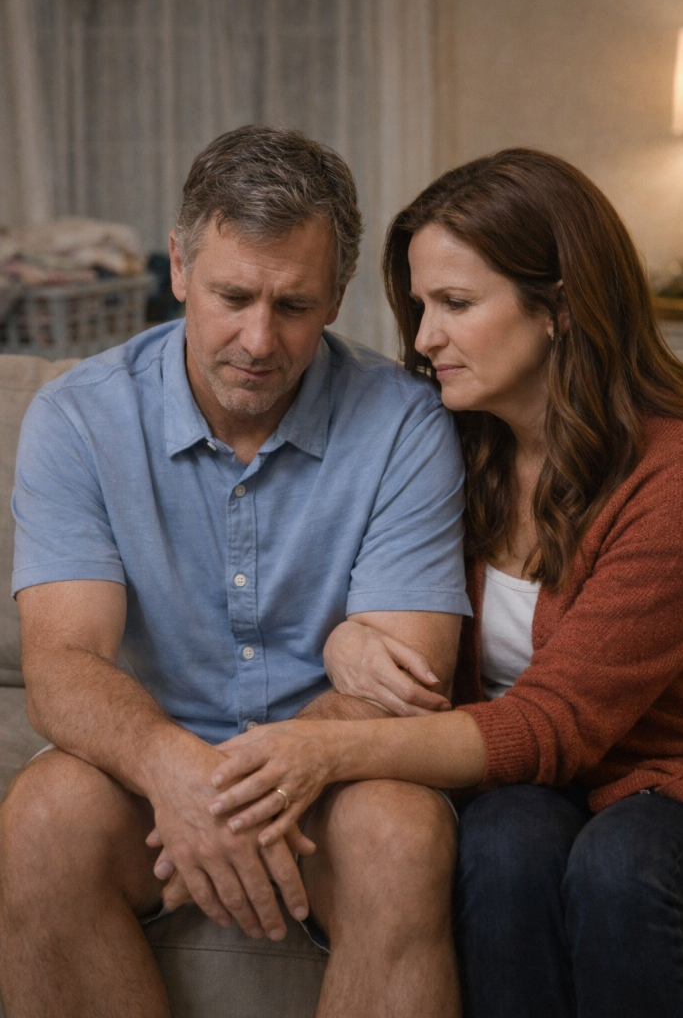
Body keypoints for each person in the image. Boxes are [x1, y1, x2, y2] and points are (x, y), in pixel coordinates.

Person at [0, 126, 472, 1018]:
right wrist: (174, 774)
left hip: (331, 773)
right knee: (42, 817)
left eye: (293, 304)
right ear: (180, 267)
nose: (258, 339)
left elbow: (407, 680)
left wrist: (246, 796)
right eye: (232, 296)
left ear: (336, 295)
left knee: (400, 836)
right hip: (146, 772)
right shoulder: (79, 418)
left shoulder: (405, 424)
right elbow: (62, 666)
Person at [201, 148, 683, 1018]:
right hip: (528, 784)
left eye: (455, 305)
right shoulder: (452, 441)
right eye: (420, 305)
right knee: (500, 842)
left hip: (660, 778)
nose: (423, 339)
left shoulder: (667, 476)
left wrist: (321, 749)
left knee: (621, 864)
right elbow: (360, 590)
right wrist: (344, 635)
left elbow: (553, 724)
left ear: (560, 308)